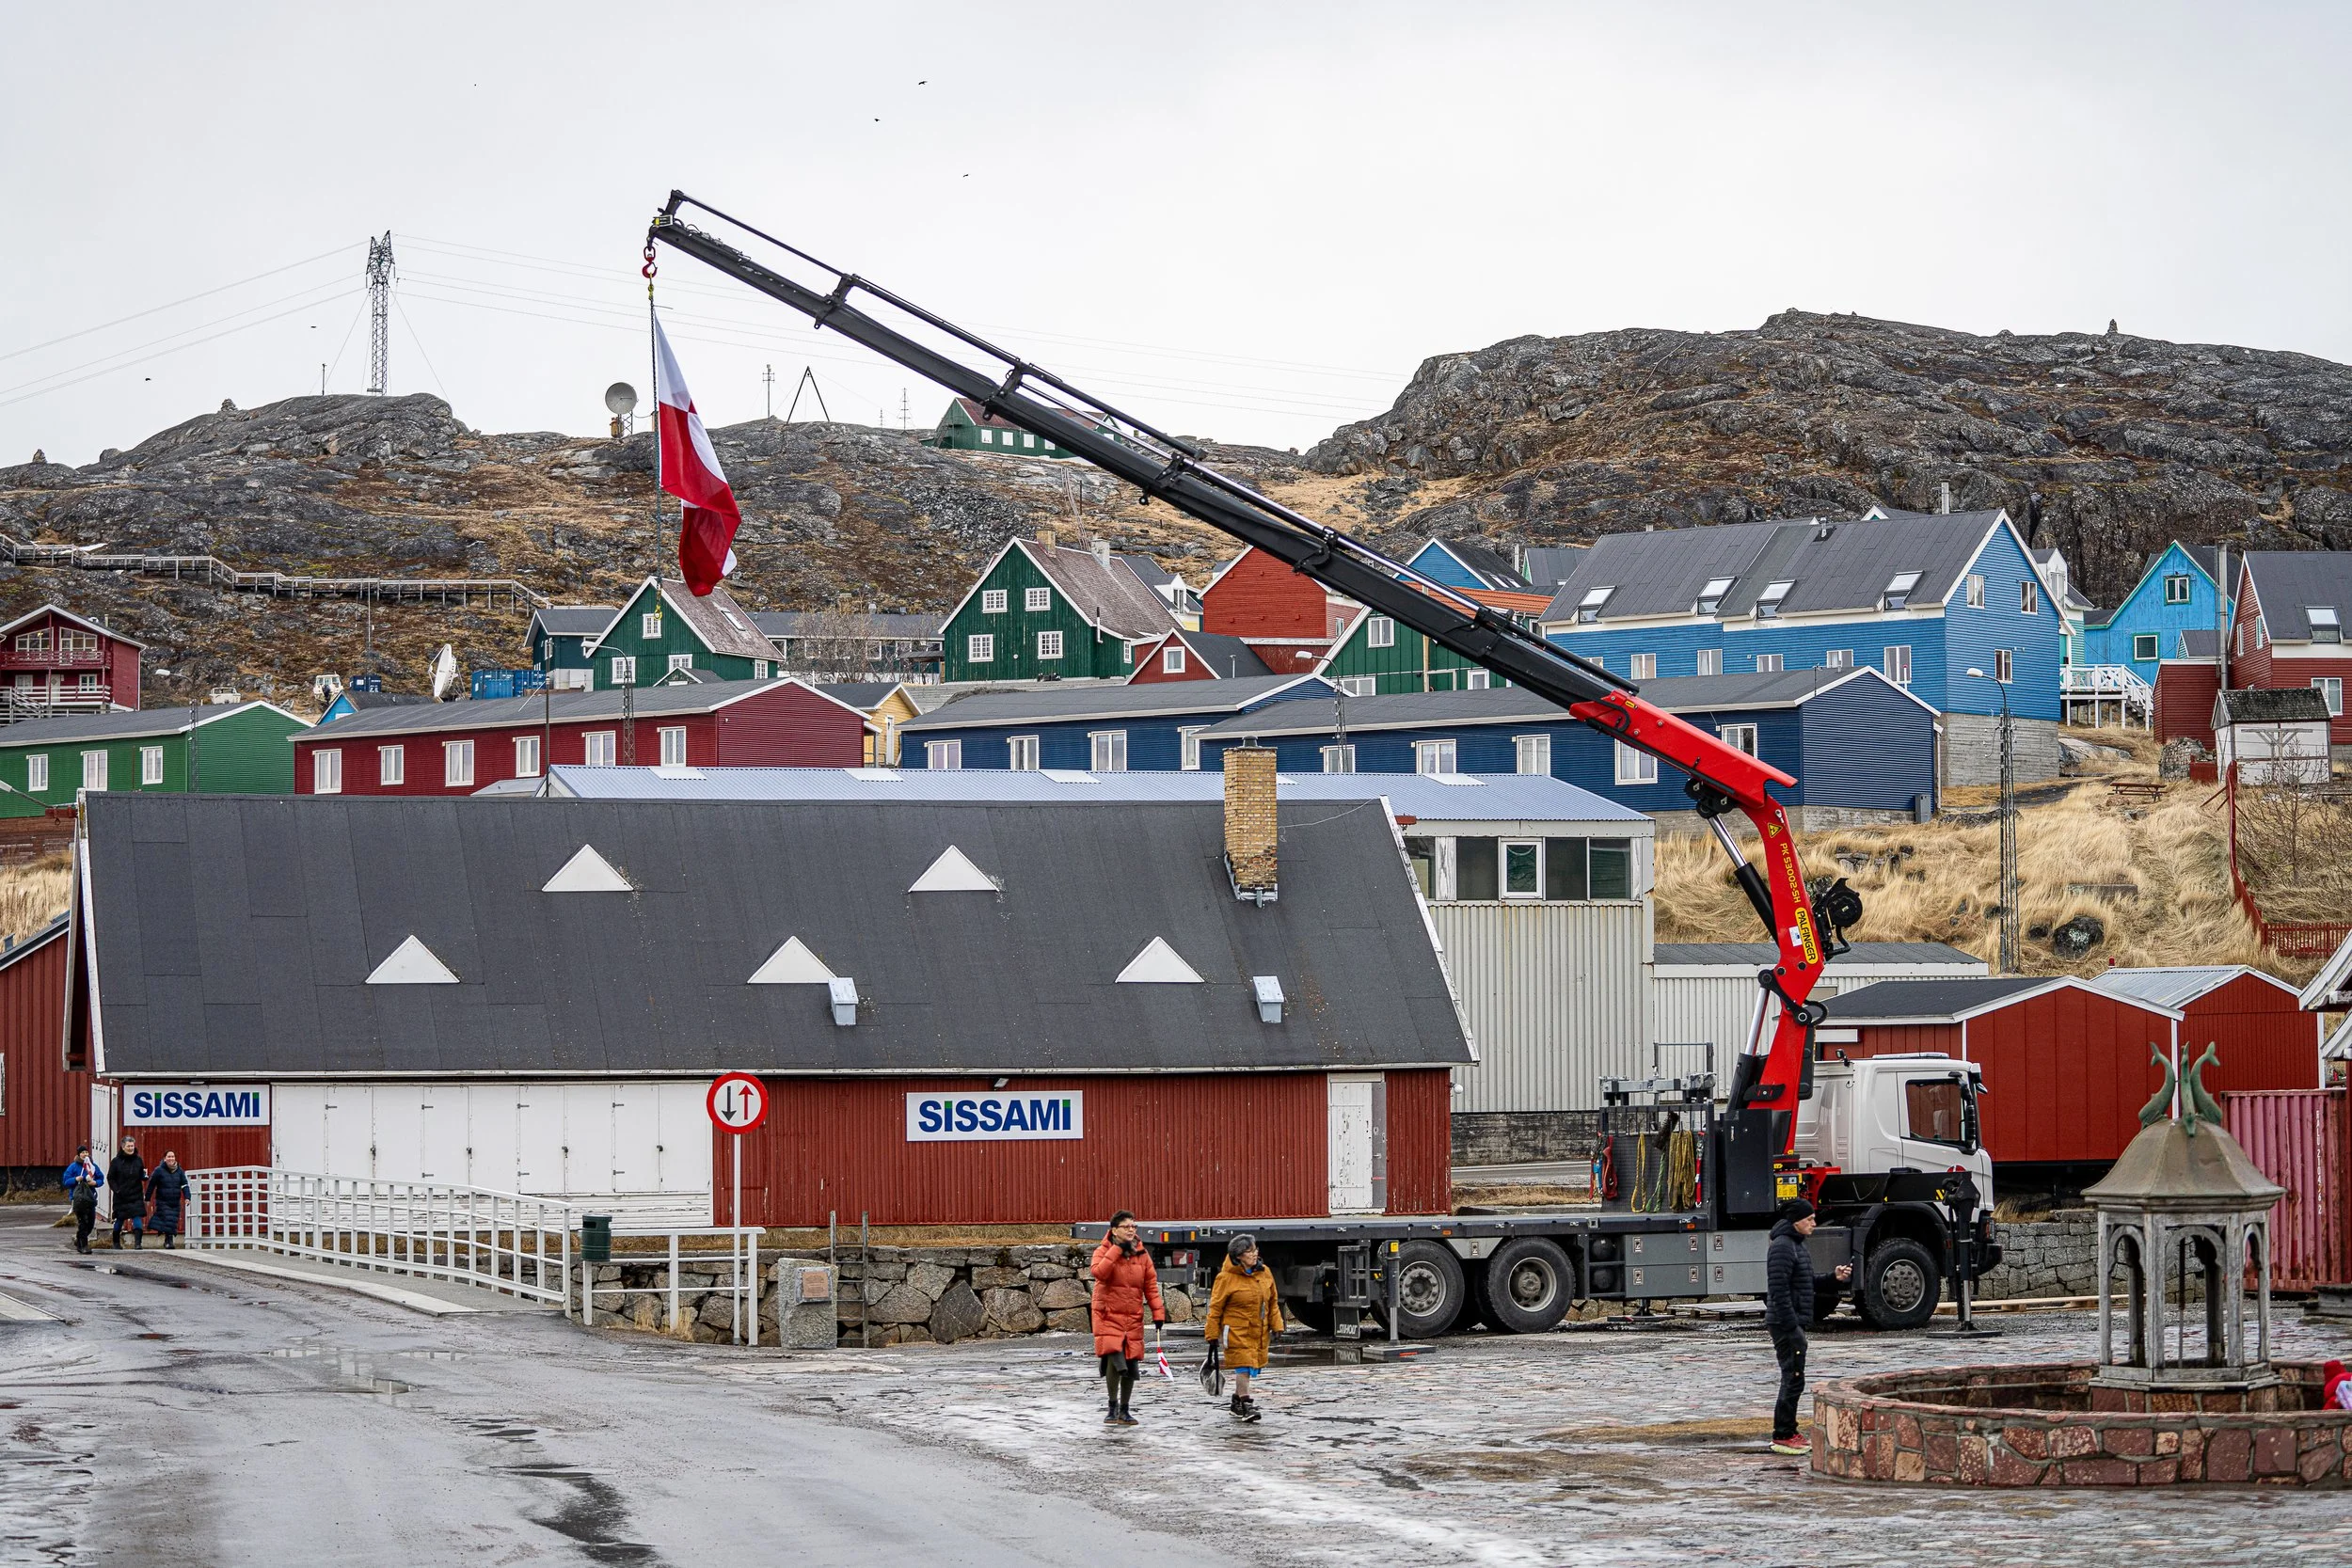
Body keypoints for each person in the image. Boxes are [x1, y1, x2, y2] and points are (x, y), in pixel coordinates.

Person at [1763, 1197, 1851, 1456]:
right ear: (1795, 1221)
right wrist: (1793, 1327)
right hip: (1785, 1324)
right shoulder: (1782, 1247)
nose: (1814, 1222)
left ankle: (1788, 1430)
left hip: (1794, 1322)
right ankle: (1783, 1434)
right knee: (1792, 1379)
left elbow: (1805, 1282)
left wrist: (1833, 1278)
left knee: (1795, 1379)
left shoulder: (1796, 1245)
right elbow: (1777, 1292)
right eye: (1809, 1218)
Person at [1089, 1211, 1165, 1427]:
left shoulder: (1142, 1254)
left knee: (1131, 1362)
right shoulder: (1103, 1250)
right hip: (1108, 1314)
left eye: (1134, 1226)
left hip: (1132, 1315)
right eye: (1126, 1226)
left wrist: (1158, 1313)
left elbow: (1150, 1286)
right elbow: (1099, 1273)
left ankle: (1125, 1409)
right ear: (1114, 1230)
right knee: (1115, 1357)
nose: (1131, 1230)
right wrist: (1116, 1250)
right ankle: (1112, 1406)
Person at [1202, 1233, 1283, 1423]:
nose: (1254, 1254)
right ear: (1238, 1255)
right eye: (1249, 1252)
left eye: (1255, 1250)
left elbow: (1272, 1301)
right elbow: (1215, 1307)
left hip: (1258, 1329)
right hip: (1235, 1330)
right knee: (1244, 1366)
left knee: (1252, 1366)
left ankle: (1237, 1402)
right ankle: (1247, 1403)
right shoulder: (1226, 1278)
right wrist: (1212, 1333)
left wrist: (1277, 1324)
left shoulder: (1265, 1273)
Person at [107, 1135, 149, 1250]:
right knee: (120, 1218)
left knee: (137, 1218)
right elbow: (110, 1178)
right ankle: (116, 1243)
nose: (130, 1148)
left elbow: (141, 1174)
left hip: (135, 1194)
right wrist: (117, 1190)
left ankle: (138, 1243)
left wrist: (144, 1177)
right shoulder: (116, 1161)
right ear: (123, 1147)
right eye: (128, 1146)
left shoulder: (138, 1160)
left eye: (132, 1146)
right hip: (121, 1195)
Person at [61, 1144, 103, 1255]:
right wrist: (75, 1179)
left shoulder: (92, 1166)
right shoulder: (73, 1167)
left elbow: (101, 1178)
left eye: (86, 1152)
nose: (85, 1154)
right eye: (82, 1153)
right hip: (78, 1198)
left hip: (90, 1198)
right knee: (83, 1222)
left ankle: (79, 1239)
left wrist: (95, 1183)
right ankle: (83, 1245)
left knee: (90, 1223)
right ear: (79, 1154)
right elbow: (66, 1181)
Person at [146, 1151, 189, 1249]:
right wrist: (147, 1198)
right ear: (165, 1158)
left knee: (172, 1221)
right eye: (169, 1157)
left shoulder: (179, 1171)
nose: (171, 1158)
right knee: (167, 1219)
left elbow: (184, 1185)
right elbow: (151, 1184)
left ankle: (167, 1240)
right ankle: (169, 1241)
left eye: (173, 1156)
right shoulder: (159, 1170)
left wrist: (187, 1197)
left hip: (175, 1201)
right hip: (163, 1200)